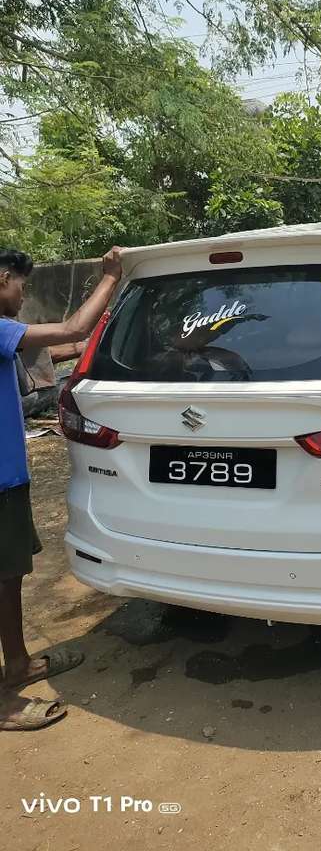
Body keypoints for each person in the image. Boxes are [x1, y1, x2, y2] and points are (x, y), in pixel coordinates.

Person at [0, 245, 123, 731]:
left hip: (8, 479)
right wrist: (110, 278)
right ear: (2, 277)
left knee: (8, 577)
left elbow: (64, 347)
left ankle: (19, 665)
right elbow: (72, 330)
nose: (21, 298)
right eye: (21, 288)